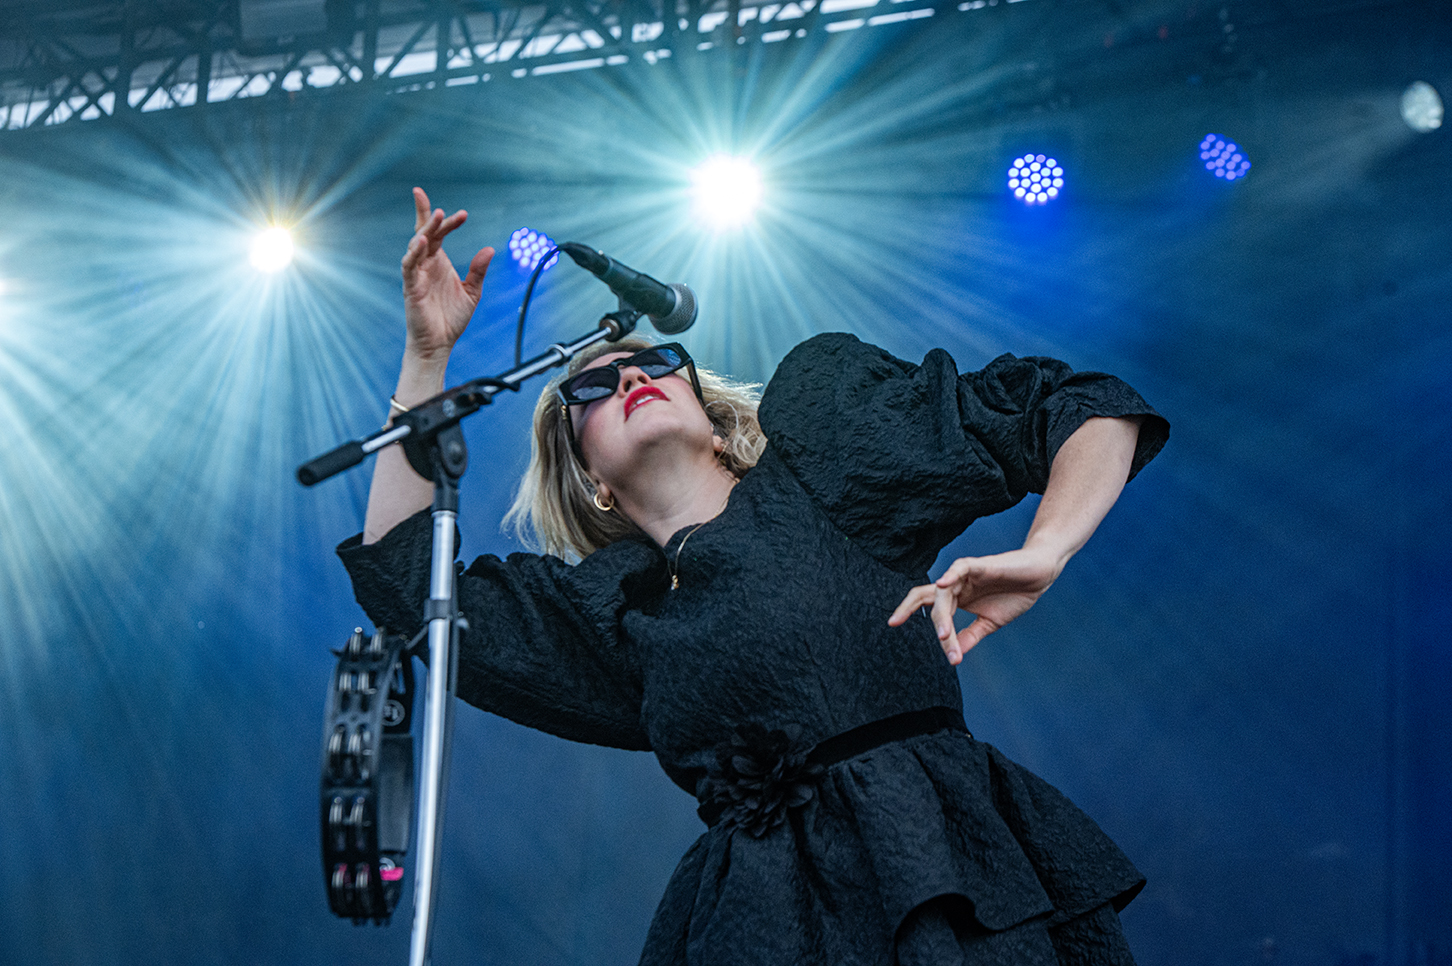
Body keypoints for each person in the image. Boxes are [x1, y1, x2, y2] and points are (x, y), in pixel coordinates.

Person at [339, 188, 1170, 965]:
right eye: (590, 386)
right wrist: (426, 355)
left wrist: (1048, 548)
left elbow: (1081, 405)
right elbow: (404, 580)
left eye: (657, 360)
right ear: (591, 479)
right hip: (762, 918)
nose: (629, 375)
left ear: (710, 418)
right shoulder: (613, 617)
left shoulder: (827, 466)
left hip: (946, 873)